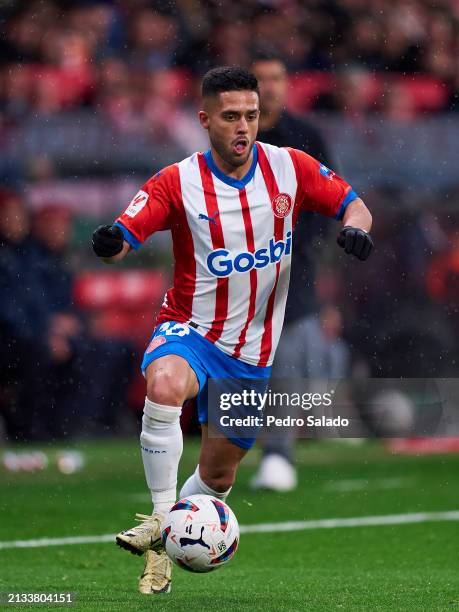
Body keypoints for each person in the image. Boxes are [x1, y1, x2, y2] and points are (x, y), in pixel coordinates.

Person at [92, 66, 373, 595]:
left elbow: (353, 203)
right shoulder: (177, 180)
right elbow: (126, 232)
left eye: (251, 115)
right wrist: (111, 244)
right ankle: (160, 532)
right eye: (230, 117)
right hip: (190, 330)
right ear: (204, 120)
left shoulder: (290, 167)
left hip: (252, 355)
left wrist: (356, 227)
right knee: (165, 385)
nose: (244, 127)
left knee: (218, 479)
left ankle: (168, 523)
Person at [249, 54, 338, 491]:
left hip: (290, 269)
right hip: (234, 270)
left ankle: (279, 454)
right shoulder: (230, 136)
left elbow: (328, 197)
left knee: (284, 364)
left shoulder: (306, 138)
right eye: (261, 79)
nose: (269, 86)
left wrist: (294, 245)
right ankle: (222, 458)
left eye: (276, 78)